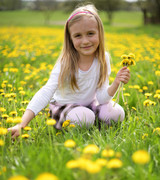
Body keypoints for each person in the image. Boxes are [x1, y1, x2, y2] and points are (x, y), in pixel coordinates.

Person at [8, 4, 130, 138]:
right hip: (63, 108)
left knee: (116, 113)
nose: (85, 41)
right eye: (78, 36)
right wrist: (22, 123)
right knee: (85, 117)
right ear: (70, 39)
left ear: (100, 33)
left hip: (90, 105)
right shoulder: (65, 62)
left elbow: (102, 98)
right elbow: (46, 91)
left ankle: (90, 126)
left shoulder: (103, 59)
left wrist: (116, 83)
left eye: (90, 33)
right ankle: (84, 124)